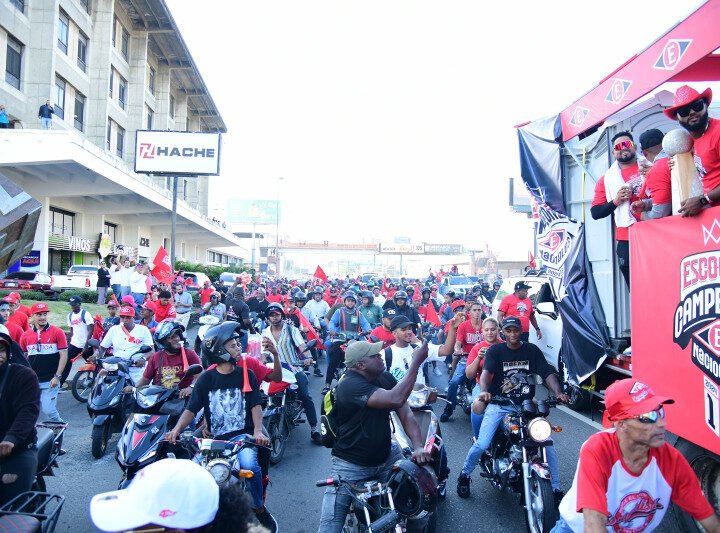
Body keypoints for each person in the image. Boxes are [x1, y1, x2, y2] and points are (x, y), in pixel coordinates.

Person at [552, 379, 720, 533]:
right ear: (621, 424)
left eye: (660, 412)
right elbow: (593, 523)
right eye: (648, 417)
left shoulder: (670, 460)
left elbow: (705, 514)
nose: (661, 423)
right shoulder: (598, 450)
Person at [165, 322, 277, 532]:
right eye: (233, 345)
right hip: (212, 442)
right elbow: (191, 409)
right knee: (191, 471)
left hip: (241, 439)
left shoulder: (246, 374)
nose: (238, 348)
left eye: (237, 344)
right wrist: (176, 430)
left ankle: (259, 508)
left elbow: (255, 406)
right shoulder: (206, 378)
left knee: (250, 467)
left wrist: (257, 431)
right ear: (218, 350)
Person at [317, 340, 431, 533]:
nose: (381, 356)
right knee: (329, 528)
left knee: (419, 507)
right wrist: (415, 363)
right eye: (375, 356)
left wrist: (419, 446)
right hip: (350, 466)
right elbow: (394, 398)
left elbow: (405, 411)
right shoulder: (349, 385)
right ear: (360, 365)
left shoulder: (384, 377)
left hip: (387, 456)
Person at [456, 316, 569, 500]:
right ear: (504, 332)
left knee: (547, 443)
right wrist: (484, 391)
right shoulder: (495, 351)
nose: (512, 334)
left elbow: (547, 372)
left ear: (520, 330)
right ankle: (464, 474)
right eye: (508, 330)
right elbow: (486, 373)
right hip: (499, 405)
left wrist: (558, 392)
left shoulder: (531, 350)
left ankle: (555, 489)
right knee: (482, 443)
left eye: (515, 330)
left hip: (526, 406)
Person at [262, 303, 321, 444]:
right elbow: (263, 353)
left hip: (294, 368)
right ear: (268, 318)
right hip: (274, 369)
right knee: (261, 394)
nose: (274, 317)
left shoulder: (291, 330)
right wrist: (261, 363)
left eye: (277, 314)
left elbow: (302, 346)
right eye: (272, 315)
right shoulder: (265, 333)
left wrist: (308, 358)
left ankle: (314, 429)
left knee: (305, 397)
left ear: (281, 315)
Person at [590, 131, 643, 288]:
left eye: (626, 144)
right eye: (618, 147)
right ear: (613, 152)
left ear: (634, 146)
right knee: (635, 289)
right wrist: (616, 201)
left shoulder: (649, 166)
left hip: (653, 232)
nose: (623, 149)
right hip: (627, 239)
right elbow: (596, 212)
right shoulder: (607, 179)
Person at [660, 85, 720, 217]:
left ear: (706, 106)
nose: (692, 112)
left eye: (697, 106)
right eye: (684, 111)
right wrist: (678, 163)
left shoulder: (718, 133)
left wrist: (703, 200)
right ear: (677, 117)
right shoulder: (692, 140)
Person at [0, 333, 40, 506]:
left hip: (17, 449)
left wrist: (12, 439)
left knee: (12, 505)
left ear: (8, 353)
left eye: (1, 350)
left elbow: (28, 410)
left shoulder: (24, 375)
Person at [19, 303, 68, 424]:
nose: (43, 317)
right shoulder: (25, 336)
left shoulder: (58, 332)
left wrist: (57, 377)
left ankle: (60, 427)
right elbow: (24, 359)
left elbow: (64, 355)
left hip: (50, 381)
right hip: (33, 381)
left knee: (49, 411)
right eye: (39, 314)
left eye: (45, 314)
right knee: (26, 412)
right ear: (32, 316)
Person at [385, 313, 460, 386]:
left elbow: (447, 350)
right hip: (399, 398)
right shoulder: (385, 355)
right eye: (403, 329)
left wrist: (452, 328)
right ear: (394, 333)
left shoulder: (420, 348)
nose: (409, 332)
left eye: (410, 328)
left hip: (421, 397)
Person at [441, 300, 485, 422]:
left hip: (484, 360)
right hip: (466, 359)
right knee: (454, 382)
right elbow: (458, 343)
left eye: (479, 310)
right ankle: (448, 409)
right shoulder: (463, 326)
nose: (477, 312)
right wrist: (457, 350)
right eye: (474, 310)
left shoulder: (486, 326)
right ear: (470, 312)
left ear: (482, 311)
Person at [135, 321, 201, 394]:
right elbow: (145, 380)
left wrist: (191, 387)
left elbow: (199, 375)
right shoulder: (156, 357)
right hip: (159, 398)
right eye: (172, 337)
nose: (177, 339)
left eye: (178, 335)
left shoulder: (189, 354)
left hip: (180, 398)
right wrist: (133, 389)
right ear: (163, 341)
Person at [324, 292, 371, 394]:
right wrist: (332, 330)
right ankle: (327, 384)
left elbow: (365, 323)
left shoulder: (359, 313)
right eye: (348, 301)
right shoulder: (339, 312)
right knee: (334, 356)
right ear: (345, 302)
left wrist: (368, 330)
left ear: (355, 303)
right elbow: (332, 322)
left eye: (352, 301)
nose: (350, 303)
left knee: (364, 356)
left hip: (355, 339)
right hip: (341, 338)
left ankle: (364, 381)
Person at [465, 317, 503, 438]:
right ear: (482, 331)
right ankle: (478, 438)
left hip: (504, 387)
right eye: (486, 330)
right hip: (482, 387)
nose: (490, 332)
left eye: (493, 329)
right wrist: (479, 358)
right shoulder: (477, 348)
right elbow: (469, 375)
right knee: (477, 407)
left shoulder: (505, 346)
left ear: (498, 330)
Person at [97, 306, 154, 384]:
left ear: (133, 318)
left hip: (136, 369)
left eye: (128, 317)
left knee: (139, 393)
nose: (125, 320)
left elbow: (152, 350)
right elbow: (102, 347)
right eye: (122, 317)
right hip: (116, 367)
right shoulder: (114, 329)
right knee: (101, 385)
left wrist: (143, 359)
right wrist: (98, 357)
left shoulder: (143, 329)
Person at [630, 128, 672, 220]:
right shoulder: (677, 156)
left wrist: (641, 216)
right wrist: (646, 204)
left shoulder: (657, 169)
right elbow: (672, 196)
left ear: (644, 153)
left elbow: (660, 213)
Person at [63, 295, 94, 385]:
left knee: (91, 363)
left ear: (79, 304)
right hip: (74, 344)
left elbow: (90, 329)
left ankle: (93, 379)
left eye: (74, 304)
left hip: (86, 344)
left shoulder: (85, 314)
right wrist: (68, 343)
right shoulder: (70, 316)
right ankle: (60, 383)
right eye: (71, 305)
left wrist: (86, 345)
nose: (72, 307)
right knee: (67, 363)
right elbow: (72, 330)